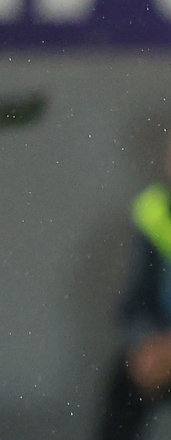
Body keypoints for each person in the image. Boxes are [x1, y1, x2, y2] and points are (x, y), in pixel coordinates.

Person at [96, 140, 171, 440]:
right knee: (124, 382)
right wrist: (146, 342)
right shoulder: (153, 211)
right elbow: (132, 301)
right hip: (160, 349)